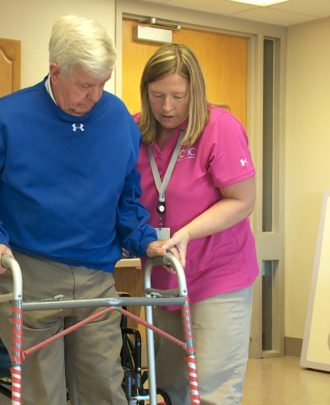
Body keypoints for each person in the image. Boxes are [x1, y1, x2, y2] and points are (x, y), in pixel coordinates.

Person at [0, 15, 169, 405]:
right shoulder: (8, 118)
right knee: (42, 395)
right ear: (55, 71)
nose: (96, 96)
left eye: (103, 84)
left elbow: (127, 202)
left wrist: (145, 239)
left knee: (105, 388)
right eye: (85, 85)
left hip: (95, 275)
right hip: (29, 272)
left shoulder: (119, 120)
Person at [134, 43, 259, 404]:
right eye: (157, 95)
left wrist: (187, 233)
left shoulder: (219, 127)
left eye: (178, 96)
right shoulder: (134, 129)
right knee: (169, 387)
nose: (167, 107)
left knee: (211, 390)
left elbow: (242, 200)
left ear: (196, 92)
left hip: (218, 273)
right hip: (163, 275)